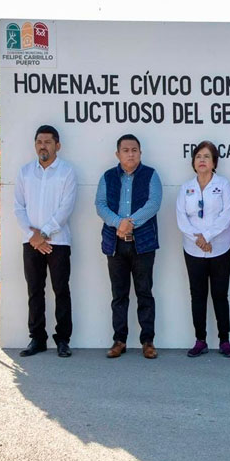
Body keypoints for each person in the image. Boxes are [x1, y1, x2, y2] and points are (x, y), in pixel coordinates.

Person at [95, 134, 162, 359]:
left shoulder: (151, 175)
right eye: (126, 150)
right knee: (119, 294)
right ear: (118, 154)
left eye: (134, 150)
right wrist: (118, 224)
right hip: (115, 244)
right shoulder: (107, 177)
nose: (130, 153)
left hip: (143, 244)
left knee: (145, 293)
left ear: (140, 153)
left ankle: (148, 342)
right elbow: (101, 205)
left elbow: (153, 204)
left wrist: (129, 223)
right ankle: (119, 340)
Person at [14, 125, 78, 358]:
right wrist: (34, 237)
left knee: (61, 290)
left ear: (57, 146)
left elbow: (66, 208)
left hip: (58, 242)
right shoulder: (24, 172)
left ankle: (63, 340)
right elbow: (18, 207)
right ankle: (37, 339)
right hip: (30, 242)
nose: (43, 145)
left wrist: (45, 233)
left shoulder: (66, 172)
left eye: (48, 142)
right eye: (39, 141)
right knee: (34, 291)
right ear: (35, 145)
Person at [176, 141, 230, 359]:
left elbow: (227, 216)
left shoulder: (223, 185)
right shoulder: (186, 188)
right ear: (193, 161)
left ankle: (224, 340)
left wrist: (208, 237)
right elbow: (182, 219)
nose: (202, 160)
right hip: (193, 249)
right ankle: (200, 339)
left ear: (214, 163)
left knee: (220, 294)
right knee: (198, 295)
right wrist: (199, 240)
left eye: (207, 157)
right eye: (198, 156)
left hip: (221, 247)